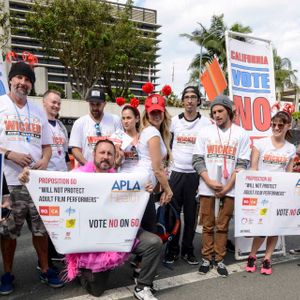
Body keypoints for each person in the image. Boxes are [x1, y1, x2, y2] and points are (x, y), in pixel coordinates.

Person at [19, 139, 162, 300]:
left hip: (115, 233)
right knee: (96, 291)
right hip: (88, 244)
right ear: (94, 155)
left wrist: (146, 188)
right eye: (102, 152)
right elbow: (51, 184)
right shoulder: (77, 176)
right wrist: (28, 178)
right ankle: (82, 269)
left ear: (114, 158)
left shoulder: (121, 179)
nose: (105, 157)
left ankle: (143, 286)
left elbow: (137, 193)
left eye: (110, 154)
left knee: (154, 243)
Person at [0, 61, 63, 295]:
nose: (23, 83)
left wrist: (45, 160)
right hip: (9, 183)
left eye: (28, 80)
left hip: (36, 183)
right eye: (19, 78)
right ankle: (7, 273)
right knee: (8, 233)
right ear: (11, 80)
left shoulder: (37, 110)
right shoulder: (1, 104)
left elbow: (47, 146)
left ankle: (45, 268)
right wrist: (9, 153)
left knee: (41, 230)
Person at [192, 95, 250, 277]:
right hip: (207, 187)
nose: (216, 115)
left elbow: (242, 163)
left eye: (220, 111)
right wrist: (209, 181)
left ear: (229, 111)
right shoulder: (205, 132)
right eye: (214, 112)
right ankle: (206, 258)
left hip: (230, 188)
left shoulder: (241, 134)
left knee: (223, 225)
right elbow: (197, 159)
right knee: (208, 225)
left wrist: (226, 187)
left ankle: (220, 259)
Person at [165, 86, 211, 265]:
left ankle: (187, 250)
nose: (190, 100)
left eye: (193, 97)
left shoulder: (206, 123)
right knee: (173, 215)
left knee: (191, 216)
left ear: (198, 101)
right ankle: (172, 249)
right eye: (187, 97)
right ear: (182, 101)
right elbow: (167, 145)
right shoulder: (174, 121)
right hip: (176, 173)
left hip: (195, 175)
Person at [245, 111, 296, 275]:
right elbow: (253, 168)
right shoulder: (260, 143)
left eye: (280, 125)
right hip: (262, 192)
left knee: (275, 227)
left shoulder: (291, 148)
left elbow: (288, 173)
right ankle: (252, 256)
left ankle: (267, 258)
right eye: (273, 124)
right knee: (261, 227)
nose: (276, 128)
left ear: (288, 126)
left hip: (280, 194)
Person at [134, 92, 173, 233]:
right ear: (147, 114)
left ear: (164, 112)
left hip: (145, 184)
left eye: (159, 112)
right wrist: (168, 190)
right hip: (145, 184)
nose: (156, 115)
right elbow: (157, 169)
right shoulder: (153, 133)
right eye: (153, 112)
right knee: (147, 231)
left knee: (142, 229)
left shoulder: (150, 131)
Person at [42, 89, 70, 267]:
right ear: (44, 102)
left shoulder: (60, 126)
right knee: (46, 222)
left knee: (60, 220)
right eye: (53, 102)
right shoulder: (39, 123)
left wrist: (70, 176)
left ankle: (57, 251)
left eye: (58, 103)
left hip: (62, 179)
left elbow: (66, 155)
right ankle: (44, 260)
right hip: (46, 179)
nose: (56, 105)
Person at [69, 87, 122, 166]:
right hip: (88, 172)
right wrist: (88, 166)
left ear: (104, 104)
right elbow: (75, 149)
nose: (95, 108)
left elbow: (119, 146)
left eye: (98, 104)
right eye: (92, 104)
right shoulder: (79, 123)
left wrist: (114, 164)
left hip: (110, 171)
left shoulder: (115, 120)